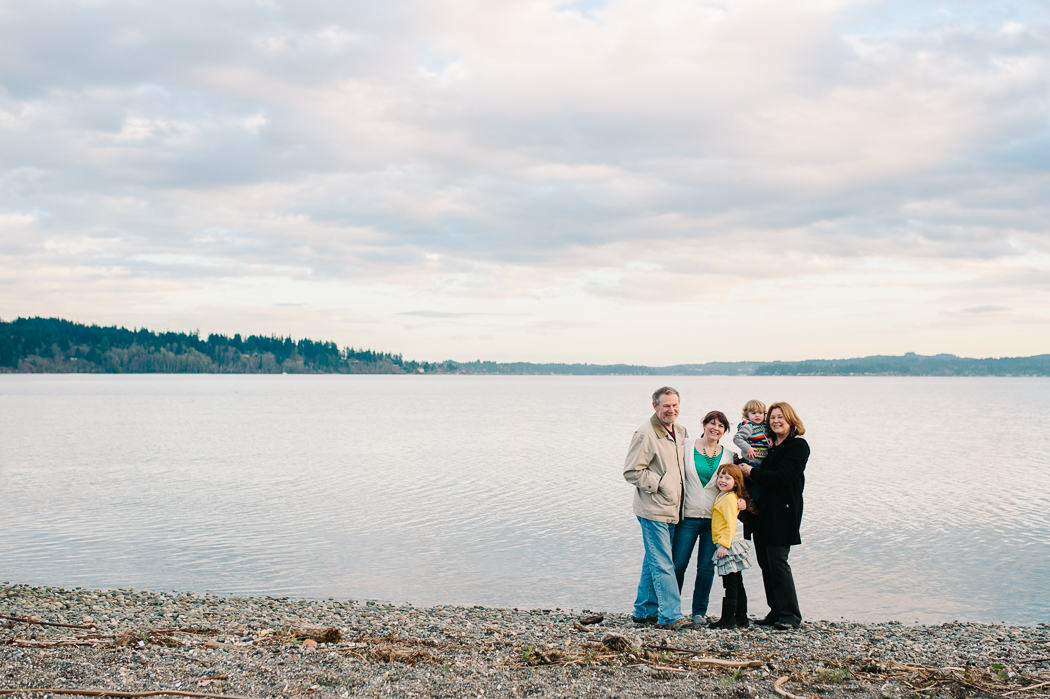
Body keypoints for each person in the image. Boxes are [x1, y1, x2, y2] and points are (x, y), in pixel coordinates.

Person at [623, 387, 695, 631]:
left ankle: (644, 611)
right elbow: (632, 471)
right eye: (666, 405)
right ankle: (670, 615)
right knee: (664, 562)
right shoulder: (645, 434)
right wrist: (662, 485)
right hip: (652, 509)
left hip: (674, 509)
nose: (671, 410)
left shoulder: (681, 431)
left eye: (675, 405)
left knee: (652, 559)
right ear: (655, 406)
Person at [738, 402, 809, 630]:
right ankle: (776, 610)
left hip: (783, 513)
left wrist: (753, 472)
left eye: (781, 417)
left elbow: (782, 478)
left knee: (778, 561)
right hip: (761, 513)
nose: (776, 421)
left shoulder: (798, 446)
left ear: (791, 420)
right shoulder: (768, 445)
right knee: (765, 563)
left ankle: (790, 615)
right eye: (773, 417)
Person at [670, 410, 738, 625]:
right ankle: (672, 611)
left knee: (706, 568)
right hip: (687, 518)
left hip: (713, 521)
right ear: (704, 424)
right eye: (712, 423)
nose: (715, 428)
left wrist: (742, 499)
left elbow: (737, 481)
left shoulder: (728, 455)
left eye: (720, 426)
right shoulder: (686, 445)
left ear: (724, 431)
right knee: (678, 565)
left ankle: (699, 612)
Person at [707, 463, 753, 629]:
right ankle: (741, 617)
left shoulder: (729, 499)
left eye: (728, 478)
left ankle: (728, 619)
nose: (723, 480)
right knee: (736, 582)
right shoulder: (722, 496)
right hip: (727, 542)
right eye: (721, 476)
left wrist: (724, 546)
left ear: (736, 482)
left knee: (730, 583)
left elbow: (730, 524)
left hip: (728, 544)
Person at [732, 400, 772, 501]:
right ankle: (750, 500)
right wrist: (748, 448)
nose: (757, 416)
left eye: (760, 413)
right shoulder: (749, 427)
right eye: (753, 413)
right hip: (751, 461)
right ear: (747, 415)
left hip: (760, 461)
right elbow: (737, 438)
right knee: (758, 483)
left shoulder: (764, 426)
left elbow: (765, 436)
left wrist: (770, 438)